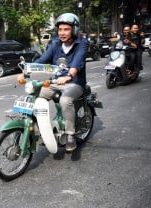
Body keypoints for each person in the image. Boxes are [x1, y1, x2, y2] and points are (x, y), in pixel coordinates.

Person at [32, 13, 89, 152]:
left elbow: (77, 63)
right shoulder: (56, 44)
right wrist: (27, 69)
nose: (62, 33)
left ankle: (70, 135)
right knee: (36, 94)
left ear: (74, 30)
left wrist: (68, 75)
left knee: (65, 101)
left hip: (75, 83)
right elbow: (43, 59)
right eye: (60, 29)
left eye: (66, 29)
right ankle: (38, 127)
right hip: (56, 82)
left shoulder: (82, 43)